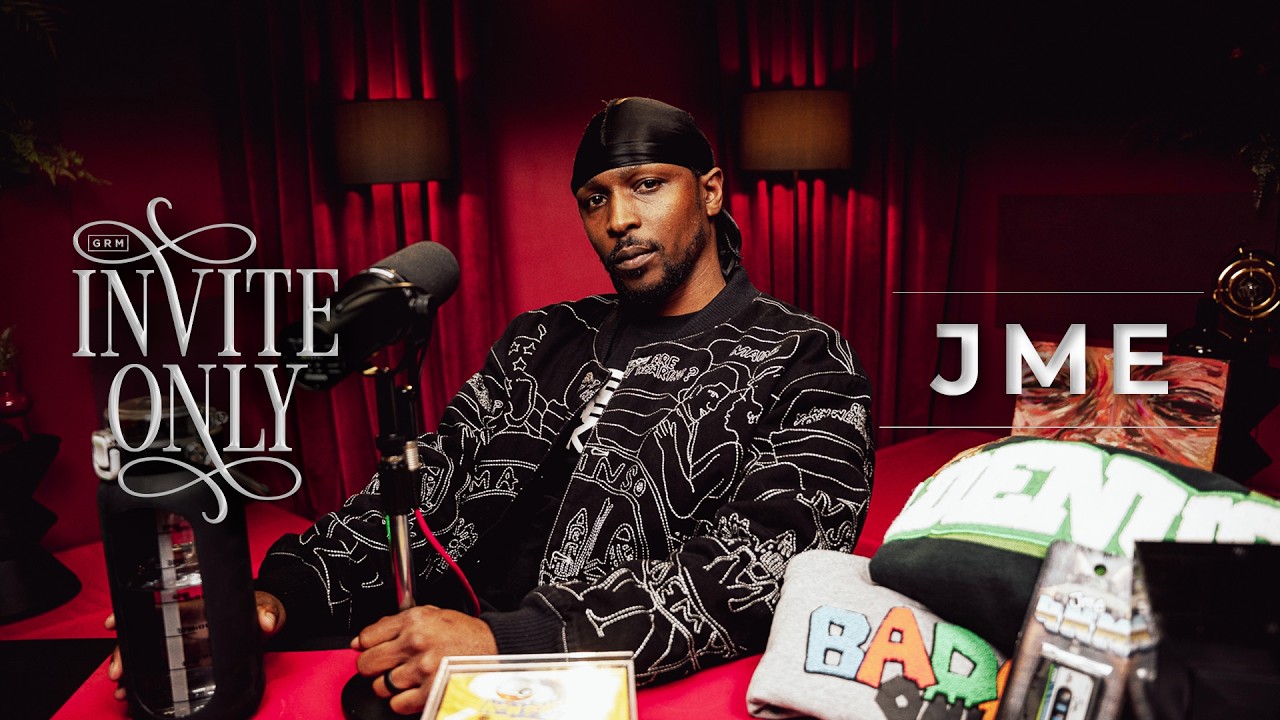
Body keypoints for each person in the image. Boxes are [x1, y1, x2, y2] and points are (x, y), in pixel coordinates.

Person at [109, 97, 875, 716]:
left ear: (707, 191)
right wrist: (280, 592)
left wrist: (504, 644)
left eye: (647, 185)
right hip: (417, 664)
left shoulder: (804, 360)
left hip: (597, 687)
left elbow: (762, 570)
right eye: (595, 198)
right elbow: (428, 479)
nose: (618, 220)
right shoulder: (542, 337)